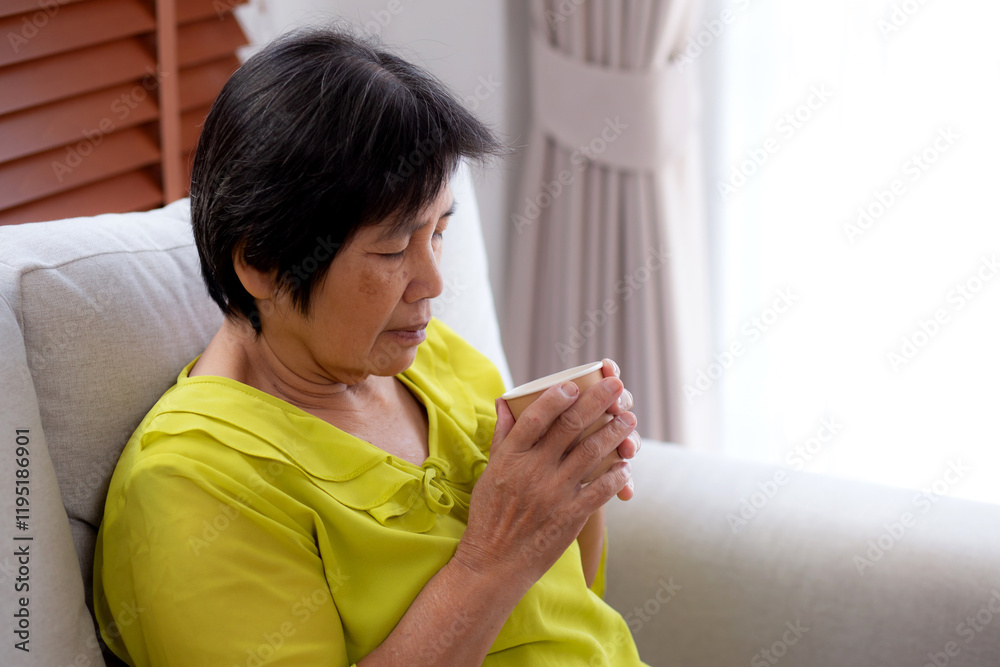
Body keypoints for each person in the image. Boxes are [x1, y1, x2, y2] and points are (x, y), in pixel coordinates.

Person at [93, 26, 645, 666]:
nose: (434, 282)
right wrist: (494, 556)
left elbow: (573, 609)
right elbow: (509, 568)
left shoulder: (434, 359)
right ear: (262, 263)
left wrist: (574, 483)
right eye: (392, 249)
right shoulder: (193, 484)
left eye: (438, 234)